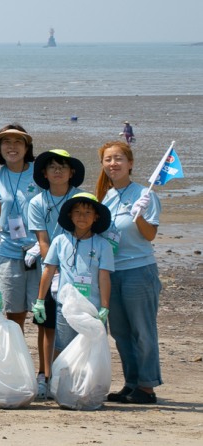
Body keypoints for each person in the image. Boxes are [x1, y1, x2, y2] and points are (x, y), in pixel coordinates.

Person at [95, 141, 162, 405]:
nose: (114, 164)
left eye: (119, 158)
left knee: (143, 331)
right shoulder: (105, 196)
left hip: (138, 270)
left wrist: (139, 216)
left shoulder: (146, 194)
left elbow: (150, 235)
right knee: (120, 333)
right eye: (108, 159)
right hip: (111, 273)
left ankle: (147, 387)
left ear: (130, 163)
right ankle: (131, 383)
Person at [27, 148, 83, 395]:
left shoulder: (82, 198)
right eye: (52, 167)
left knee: (75, 325)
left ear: (72, 173)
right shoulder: (38, 202)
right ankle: (45, 375)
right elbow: (43, 241)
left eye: (63, 166)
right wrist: (55, 269)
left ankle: (73, 375)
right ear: (45, 174)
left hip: (80, 273)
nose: (58, 170)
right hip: (49, 271)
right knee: (46, 325)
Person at [35, 193, 113, 359]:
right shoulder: (60, 241)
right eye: (77, 212)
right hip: (66, 306)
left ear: (96, 217)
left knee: (92, 349)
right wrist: (40, 301)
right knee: (63, 347)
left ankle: (89, 384)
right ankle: (58, 383)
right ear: (70, 215)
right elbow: (48, 271)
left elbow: (104, 277)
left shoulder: (103, 245)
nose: (82, 216)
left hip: (93, 307)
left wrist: (105, 307)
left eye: (87, 213)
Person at [0, 126, 40, 333]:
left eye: (18, 141)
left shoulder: (40, 171)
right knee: (14, 315)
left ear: (27, 147)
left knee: (44, 316)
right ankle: (19, 362)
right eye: (6, 142)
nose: (12, 147)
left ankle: (46, 366)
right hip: (9, 252)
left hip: (40, 250)